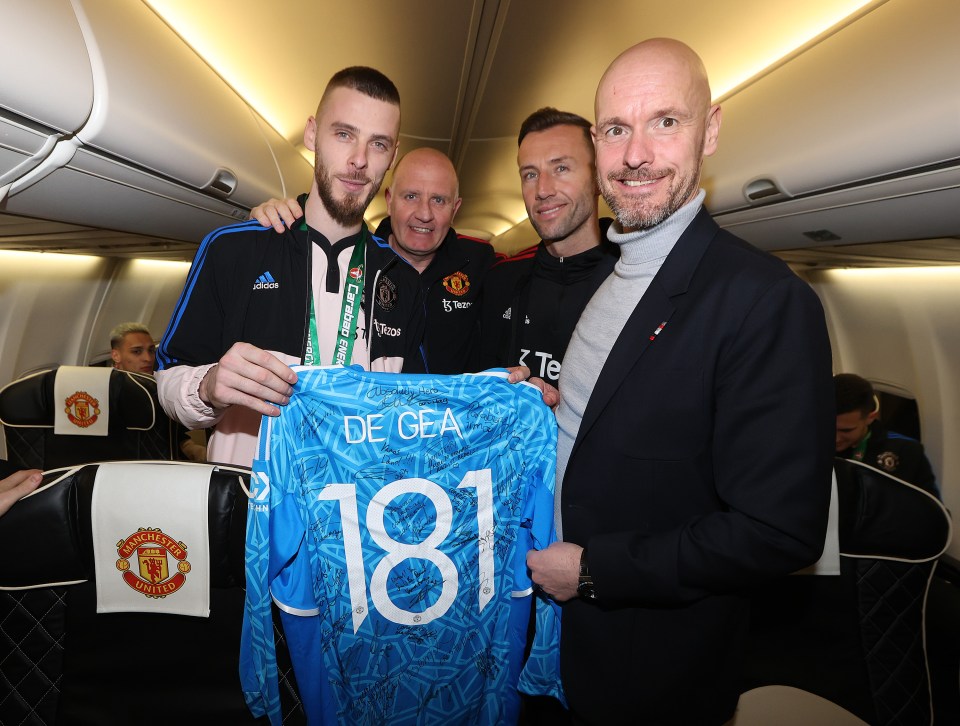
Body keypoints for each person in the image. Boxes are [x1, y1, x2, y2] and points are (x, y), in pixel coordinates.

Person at [524, 38, 835, 724]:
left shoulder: (763, 299)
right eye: (615, 129)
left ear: (711, 129)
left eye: (665, 122)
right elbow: (615, 424)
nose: (635, 154)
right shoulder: (612, 276)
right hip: (562, 645)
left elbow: (778, 532)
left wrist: (594, 571)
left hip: (648, 670)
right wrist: (543, 409)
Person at [156, 66, 421, 467]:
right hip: (250, 508)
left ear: (392, 157)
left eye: (378, 144)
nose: (359, 160)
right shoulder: (234, 250)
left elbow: (422, 407)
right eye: (344, 134)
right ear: (313, 134)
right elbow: (170, 379)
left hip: (355, 511)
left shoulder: (401, 278)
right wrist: (208, 387)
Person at [251, 146, 497, 374]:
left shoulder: (481, 263)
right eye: (411, 196)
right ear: (389, 201)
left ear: (455, 209)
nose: (424, 214)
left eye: (439, 200)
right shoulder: (354, 259)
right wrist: (269, 222)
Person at [479, 108, 617, 384]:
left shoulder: (634, 280)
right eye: (530, 174)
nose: (542, 190)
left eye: (561, 168)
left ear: (598, 179)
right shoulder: (501, 282)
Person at [110, 321, 207, 463]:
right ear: (116, 355)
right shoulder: (105, 392)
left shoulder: (159, 388)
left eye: (151, 350)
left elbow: (177, 439)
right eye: (137, 351)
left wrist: (203, 455)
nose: (148, 358)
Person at [834, 372, 939, 497]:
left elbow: (932, 509)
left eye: (846, 431)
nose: (835, 438)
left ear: (870, 417)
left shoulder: (906, 451)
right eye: (828, 428)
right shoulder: (810, 448)